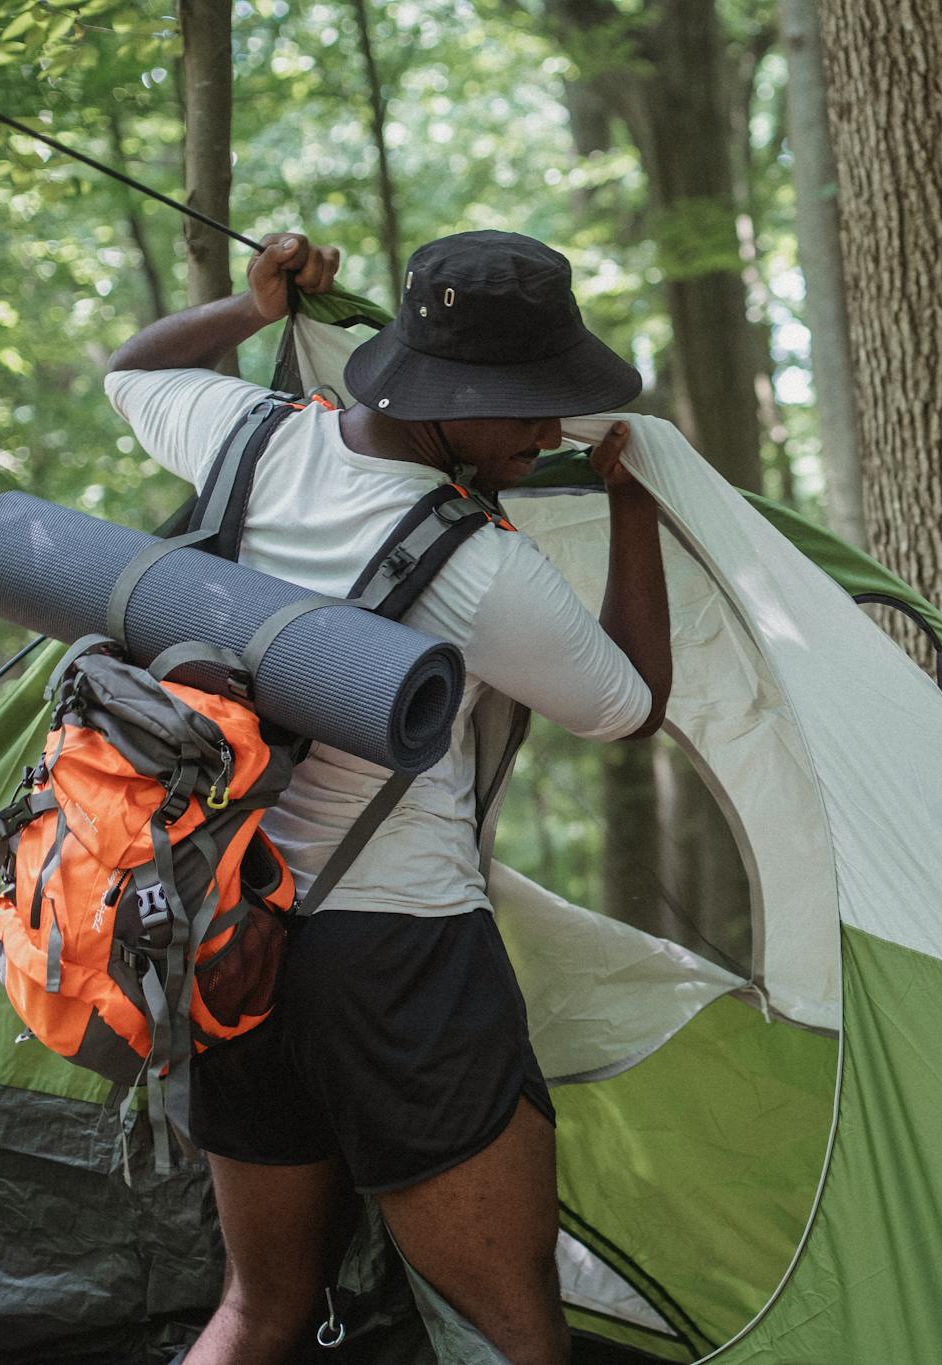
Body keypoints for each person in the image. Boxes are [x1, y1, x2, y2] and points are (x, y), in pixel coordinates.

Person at [104, 229, 672, 1365]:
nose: (547, 435)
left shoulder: (250, 437)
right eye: (524, 409)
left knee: (255, 1311)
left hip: (230, 945)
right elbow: (627, 706)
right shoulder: (483, 567)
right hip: (404, 964)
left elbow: (132, 370)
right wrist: (632, 511)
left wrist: (252, 307)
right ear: (445, 399)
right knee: (520, 1337)